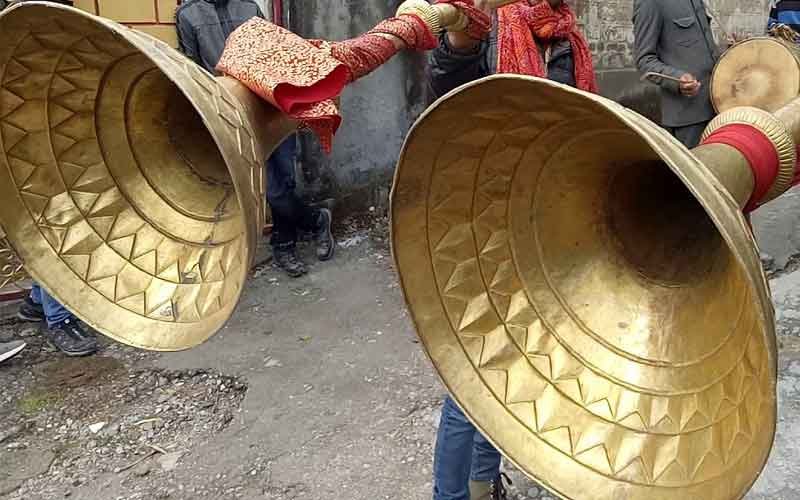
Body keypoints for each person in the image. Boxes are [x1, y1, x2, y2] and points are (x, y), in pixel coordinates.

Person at [427, 1, 596, 498]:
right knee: (471, 378)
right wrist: (459, 42)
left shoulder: (566, 38)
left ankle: (484, 484)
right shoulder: (491, 25)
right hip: (482, 225)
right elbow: (444, 90)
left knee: (514, 366)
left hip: (544, 224)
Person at [176, 0, 335, 278]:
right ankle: (316, 220)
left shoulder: (249, 7)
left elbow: (273, 51)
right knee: (269, 189)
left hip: (271, 107)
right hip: (231, 116)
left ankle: (285, 244)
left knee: (283, 183)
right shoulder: (188, 14)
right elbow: (192, 70)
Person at [633, 0, 722, 149]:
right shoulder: (650, 2)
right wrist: (677, 79)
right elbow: (644, 60)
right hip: (688, 117)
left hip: (717, 105)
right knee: (693, 164)